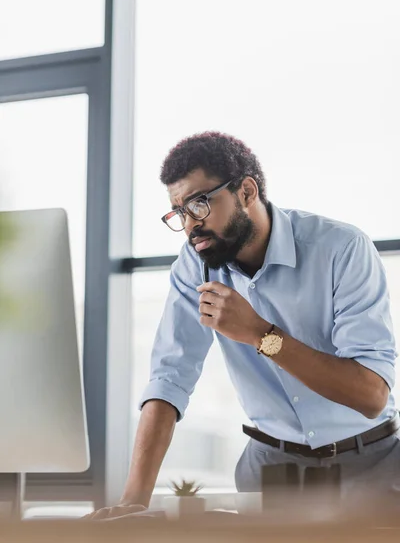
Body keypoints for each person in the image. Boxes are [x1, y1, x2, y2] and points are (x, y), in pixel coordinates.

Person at [85, 131, 398, 520]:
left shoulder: (342, 249)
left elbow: (371, 396)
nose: (189, 226)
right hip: (268, 473)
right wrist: (134, 501)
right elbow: (170, 378)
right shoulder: (192, 265)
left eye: (199, 204)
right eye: (179, 212)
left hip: (371, 468)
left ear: (246, 192)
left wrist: (261, 335)